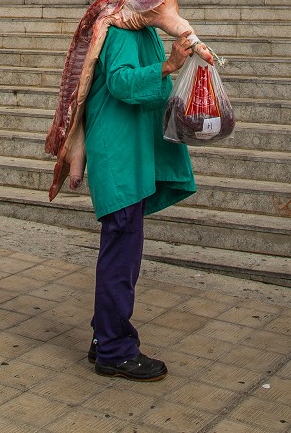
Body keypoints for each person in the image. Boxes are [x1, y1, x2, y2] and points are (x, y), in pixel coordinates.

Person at [80, 20, 198, 381]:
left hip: (130, 155)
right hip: (119, 158)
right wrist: (167, 66)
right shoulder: (123, 32)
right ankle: (115, 350)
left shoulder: (141, 30)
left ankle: (105, 336)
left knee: (121, 253)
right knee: (121, 257)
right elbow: (121, 82)